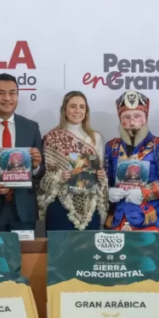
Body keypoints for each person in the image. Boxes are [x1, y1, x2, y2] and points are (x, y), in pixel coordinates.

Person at [105, 91, 159, 233]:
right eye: (127, 117)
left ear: (145, 118)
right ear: (120, 119)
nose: (132, 122)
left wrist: (144, 192)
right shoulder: (112, 146)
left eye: (137, 116)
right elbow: (102, 180)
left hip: (150, 219)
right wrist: (107, 192)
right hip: (117, 220)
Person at [0, 74, 44, 233]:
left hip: (24, 211)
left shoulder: (31, 127)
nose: (7, 98)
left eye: (12, 93)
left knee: (24, 250)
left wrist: (36, 166)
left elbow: (41, 172)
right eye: (0, 93)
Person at [38, 91, 108, 231]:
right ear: (64, 109)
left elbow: (100, 169)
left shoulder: (96, 137)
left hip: (90, 206)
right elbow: (44, 175)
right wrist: (60, 176)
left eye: (82, 107)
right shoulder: (52, 137)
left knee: (87, 245)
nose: (77, 111)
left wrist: (101, 176)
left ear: (86, 111)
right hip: (61, 204)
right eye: (73, 106)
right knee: (59, 245)